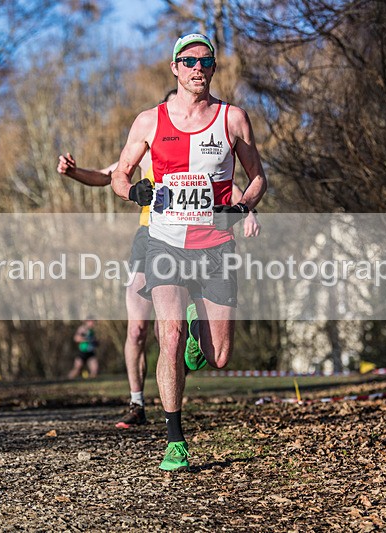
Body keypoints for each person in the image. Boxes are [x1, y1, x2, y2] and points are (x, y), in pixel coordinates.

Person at [57, 90, 260, 429]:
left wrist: (248, 212)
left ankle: (191, 340)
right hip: (150, 240)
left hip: (199, 241)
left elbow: (232, 187)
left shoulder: (202, 153)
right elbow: (109, 176)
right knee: (138, 328)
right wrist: (74, 173)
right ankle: (137, 403)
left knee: (179, 337)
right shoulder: (148, 148)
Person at [110, 33, 267, 471]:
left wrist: (242, 206)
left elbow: (258, 178)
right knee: (169, 335)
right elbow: (120, 175)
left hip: (215, 245)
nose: (198, 67)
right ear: (175, 68)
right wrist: (133, 191)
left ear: (213, 68)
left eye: (206, 61)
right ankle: (175, 440)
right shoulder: (149, 121)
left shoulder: (233, 119)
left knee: (220, 355)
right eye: (190, 60)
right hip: (164, 243)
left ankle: (201, 332)